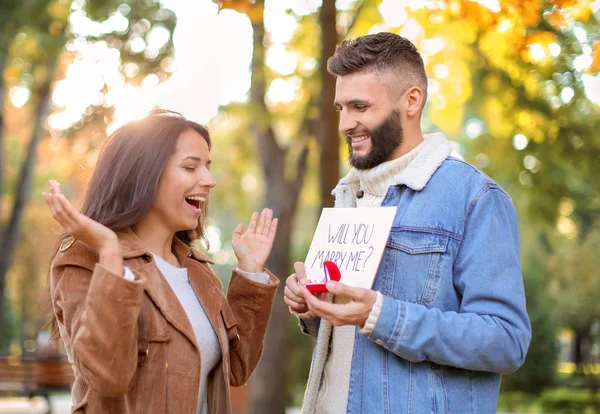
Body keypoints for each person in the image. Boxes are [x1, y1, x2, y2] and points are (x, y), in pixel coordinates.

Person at [284, 32, 531, 414]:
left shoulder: (475, 197)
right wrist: (314, 306)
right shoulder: (349, 196)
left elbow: (506, 341)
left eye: (360, 106)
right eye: (340, 108)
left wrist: (382, 316)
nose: (345, 124)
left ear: (412, 100)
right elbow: (350, 346)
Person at [44, 110, 279, 414]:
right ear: (146, 175)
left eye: (207, 167)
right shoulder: (83, 258)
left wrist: (250, 271)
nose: (209, 180)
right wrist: (110, 252)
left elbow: (236, 369)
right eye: (190, 167)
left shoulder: (199, 272)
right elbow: (108, 377)